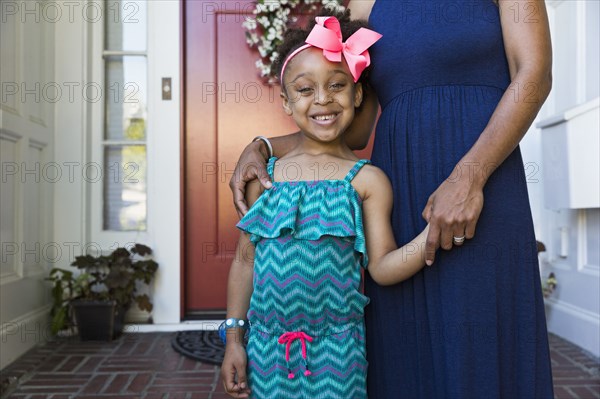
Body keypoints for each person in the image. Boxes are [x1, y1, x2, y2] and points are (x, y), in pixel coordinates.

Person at [230, 0, 555, 398]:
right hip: (400, 190)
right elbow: (351, 128)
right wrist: (264, 146)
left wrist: (470, 177)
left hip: (485, 180)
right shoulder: (365, 2)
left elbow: (534, 76)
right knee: (407, 352)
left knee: (483, 338)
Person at [220, 13, 431, 399]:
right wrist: (235, 338)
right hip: (267, 349)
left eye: (337, 85)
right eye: (304, 89)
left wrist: (433, 235)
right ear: (285, 101)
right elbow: (245, 261)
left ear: (357, 94)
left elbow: (382, 267)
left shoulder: (367, 182)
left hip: (340, 351)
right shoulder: (265, 179)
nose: (322, 99)